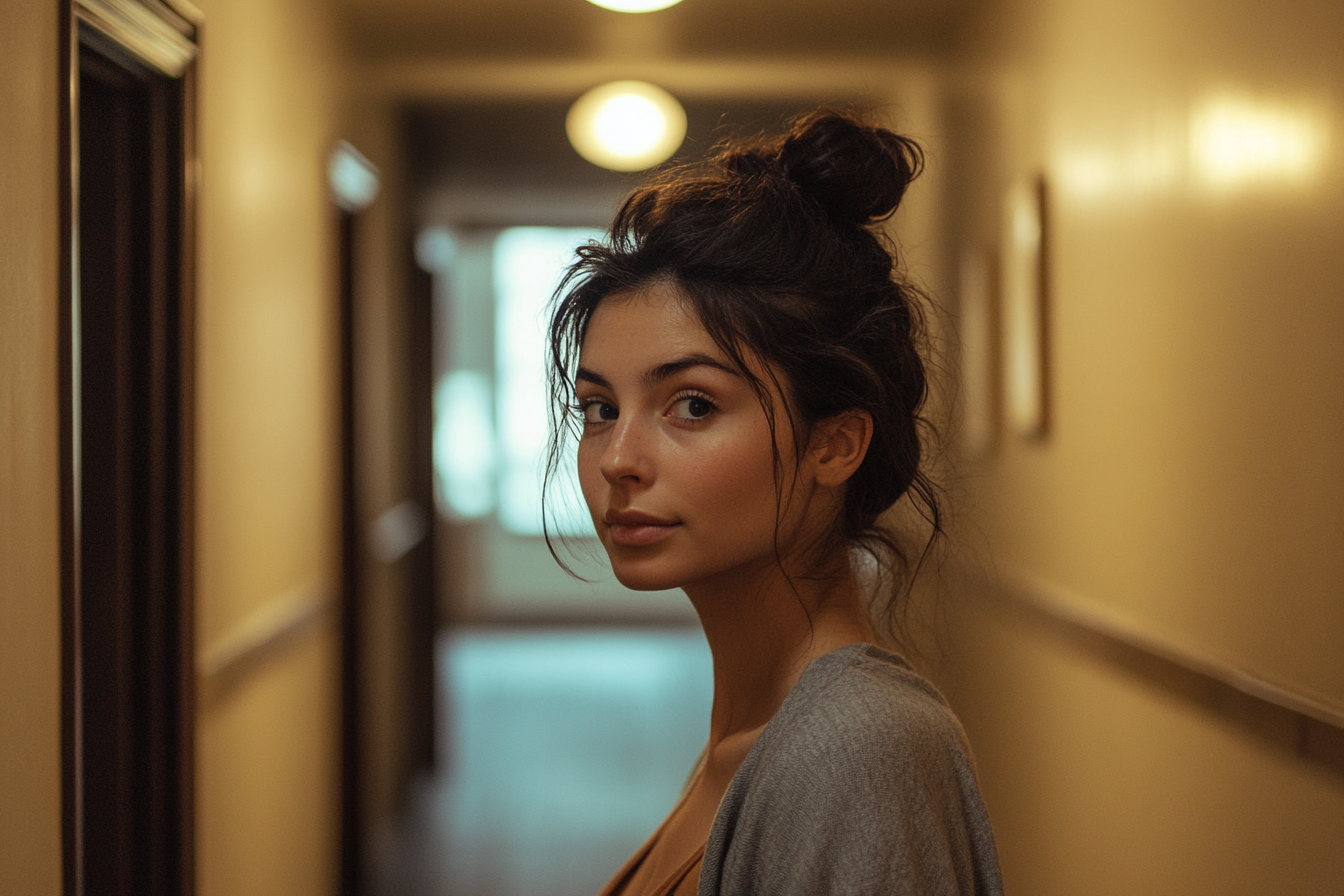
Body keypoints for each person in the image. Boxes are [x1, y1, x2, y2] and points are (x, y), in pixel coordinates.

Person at [545, 110, 1003, 896]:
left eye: (692, 405)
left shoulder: (858, 748)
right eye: (600, 409)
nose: (617, 460)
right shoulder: (763, 729)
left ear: (836, 444)